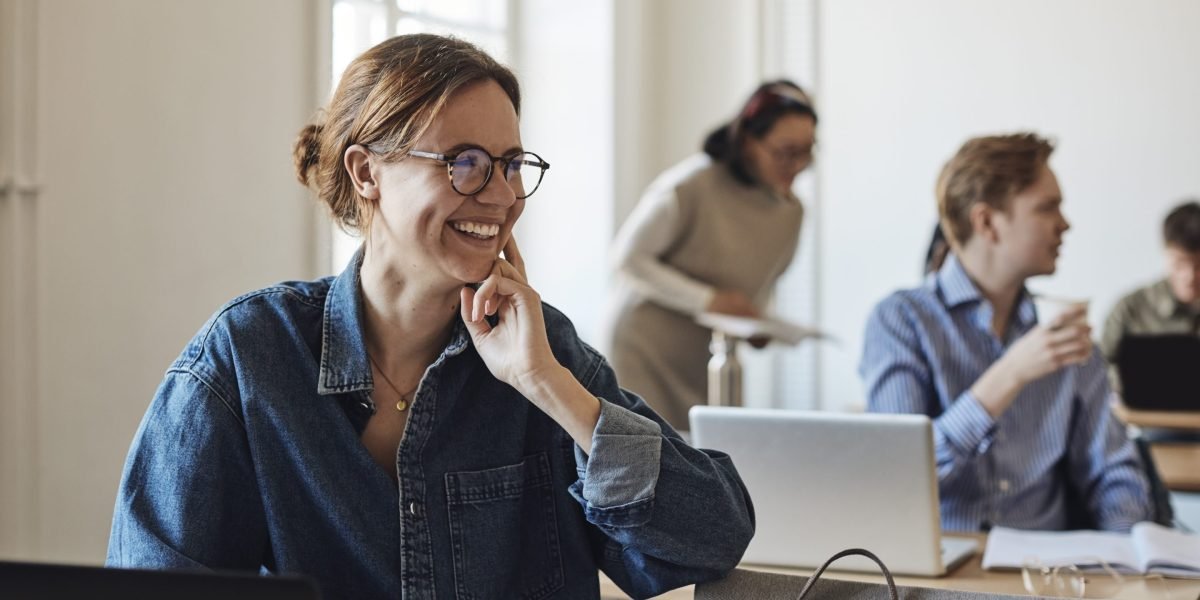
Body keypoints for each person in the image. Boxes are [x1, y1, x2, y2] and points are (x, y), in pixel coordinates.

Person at [106, 34, 754, 600]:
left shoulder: (545, 349)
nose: (501, 196)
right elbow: (155, 577)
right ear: (367, 173)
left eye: (510, 165)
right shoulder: (248, 359)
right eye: (465, 163)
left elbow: (710, 542)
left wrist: (549, 388)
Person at [859, 133, 1151, 532]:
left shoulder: (1063, 332)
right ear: (987, 223)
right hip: (938, 576)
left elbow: (1115, 475)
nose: (1065, 223)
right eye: (1048, 208)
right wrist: (1009, 375)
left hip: (1047, 577)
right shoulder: (901, 321)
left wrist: (1125, 557)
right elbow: (893, 476)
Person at [603, 81, 817, 430]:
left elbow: (757, 288)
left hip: (710, 359)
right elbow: (628, 260)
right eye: (784, 152)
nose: (796, 165)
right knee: (646, 460)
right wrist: (708, 300)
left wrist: (758, 323)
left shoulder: (792, 214)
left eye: (806, 153)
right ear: (749, 141)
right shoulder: (691, 185)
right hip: (644, 352)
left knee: (707, 462)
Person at [1101, 199, 1200, 389]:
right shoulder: (1131, 309)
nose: (1189, 276)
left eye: (1199, 265)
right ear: (1166, 253)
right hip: (1143, 417)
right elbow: (1100, 370)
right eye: (1180, 263)